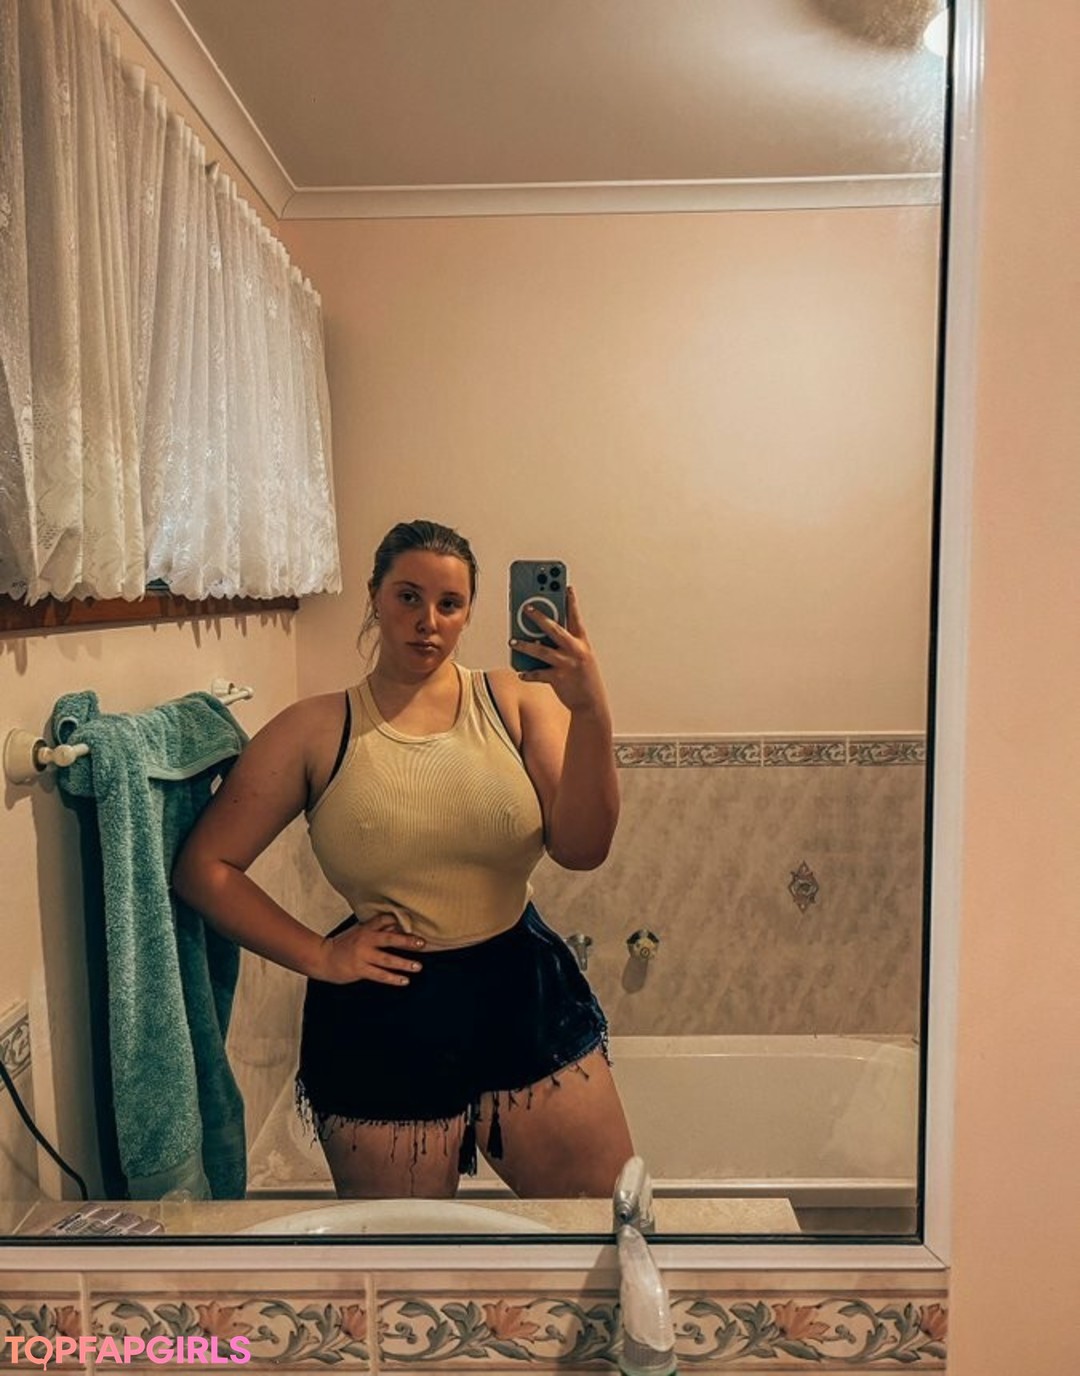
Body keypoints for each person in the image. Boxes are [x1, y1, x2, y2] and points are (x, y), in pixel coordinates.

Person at [174, 518, 633, 1200]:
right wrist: (319, 955)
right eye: (408, 597)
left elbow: (583, 849)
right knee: (405, 1256)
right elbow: (204, 869)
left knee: (604, 1220)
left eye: (449, 604)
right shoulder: (314, 729)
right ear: (375, 596)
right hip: (382, 1015)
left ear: (470, 611)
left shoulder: (517, 703)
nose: (428, 622)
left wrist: (591, 710)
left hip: (524, 992)